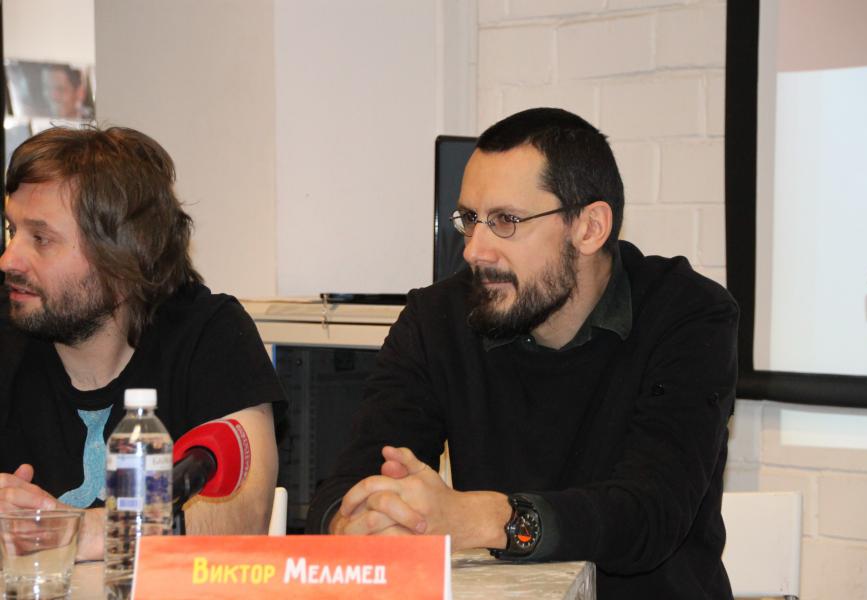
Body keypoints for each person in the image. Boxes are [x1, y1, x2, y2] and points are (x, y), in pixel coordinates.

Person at [307, 108, 738, 599]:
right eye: (470, 220)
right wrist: (354, 522)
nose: (474, 250)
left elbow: (648, 516)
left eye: (506, 221)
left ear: (590, 228)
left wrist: (481, 519)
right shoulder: (437, 318)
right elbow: (348, 483)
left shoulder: (687, 314)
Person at [0, 126, 285, 560]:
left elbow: (243, 519)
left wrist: (75, 531)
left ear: (121, 258)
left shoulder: (208, 332)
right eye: (11, 229)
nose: (8, 259)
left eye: (41, 238)